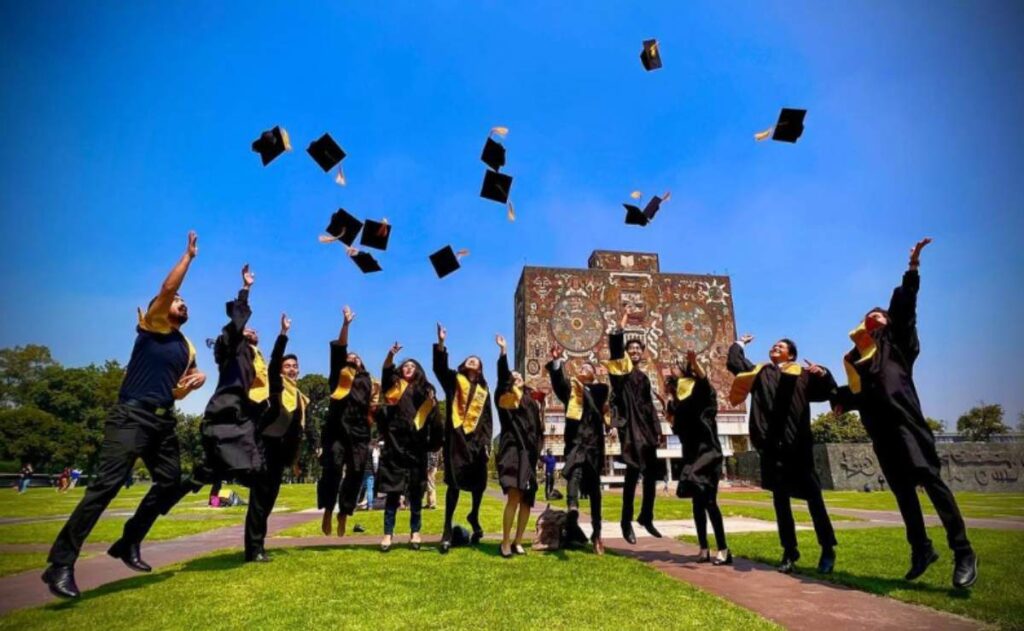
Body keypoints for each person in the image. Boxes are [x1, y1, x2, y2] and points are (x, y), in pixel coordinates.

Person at [43, 232, 206, 599]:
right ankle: (60, 565)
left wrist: (200, 377)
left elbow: (192, 370)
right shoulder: (153, 325)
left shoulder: (186, 344)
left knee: (170, 481)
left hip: (163, 422)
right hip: (131, 415)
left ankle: (129, 541)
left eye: (183, 300)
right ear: (159, 310)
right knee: (108, 485)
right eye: (176, 300)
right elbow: (166, 289)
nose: (181, 302)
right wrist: (189, 257)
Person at [833, 238, 977, 589]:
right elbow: (858, 394)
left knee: (932, 482)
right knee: (902, 492)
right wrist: (836, 397)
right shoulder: (856, 360)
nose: (874, 318)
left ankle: (963, 552)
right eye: (869, 318)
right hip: (880, 432)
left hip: (907, 425)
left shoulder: (897, 344)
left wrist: (912, 269)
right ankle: (921, 550)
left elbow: (905, 308)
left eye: (879, 315)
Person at [727, 334, 838, 574]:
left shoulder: (803, 375)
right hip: (771, 445)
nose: (775, 347)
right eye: (774, 345)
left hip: (797, 444)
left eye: (781, 346)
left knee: (814, 498)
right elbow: (735, 363)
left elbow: (829, 391)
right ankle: (789, 551)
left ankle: (827, 548)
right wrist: (740, 344)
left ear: (792, 355)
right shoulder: (761, 374)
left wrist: (824, 373)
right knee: (780, 501)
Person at [244, 312, 315, 562]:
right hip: (264, 447)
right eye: (288, 366)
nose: (292, 369)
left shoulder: (298, 395)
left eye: (295, 366)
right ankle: (253, 549)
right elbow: (273, 362)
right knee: (259, 500)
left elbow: (298, 429)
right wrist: (283, 334)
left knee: (269, 499)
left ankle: (257, 544)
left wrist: (297, 456)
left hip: (280, 453)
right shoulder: (275, 385)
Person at [195, 264, 266, 489]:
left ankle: (202, 476)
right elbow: (237, 324)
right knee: (252, 471)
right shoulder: (232, 345)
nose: (254, 331)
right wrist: (245, 288)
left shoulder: (251, 357)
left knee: (252, 471)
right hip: (226, 414)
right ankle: (200, 477)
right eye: (249, 329)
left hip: (242, 416)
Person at [605, 314, 665, 543]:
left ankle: (646, 516)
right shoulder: (621, 373)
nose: (635, 352)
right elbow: (615, 351)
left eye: (638, 349)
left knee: (651, 476)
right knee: (631, 478)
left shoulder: (644, 378)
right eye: (631, 349)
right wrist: (620, 329)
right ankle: (625, 521)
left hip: (647, 431)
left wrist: (658, 431)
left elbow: (650, 406)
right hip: (630, 430)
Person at [433, 323, 494, 553]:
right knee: (454, 485)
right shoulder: (453, 381)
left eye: (476, 361)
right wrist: (441, 343)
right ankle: (447, 529)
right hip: (456, 440)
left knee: (479, 483)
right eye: (469, 359)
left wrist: (487, 442)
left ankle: (474, 516)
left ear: (479, 369)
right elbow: (439, 368)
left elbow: (488, 419)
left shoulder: (483, 390)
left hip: (476, 443)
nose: (472, 361)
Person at [377, 342, 442, 551]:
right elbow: (386, 371)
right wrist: (390, 355)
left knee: (416, 492)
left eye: (413, 367)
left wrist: (433, 443)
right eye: (406, 366)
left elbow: (434, 417)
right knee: (393, 492)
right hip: (394, 445)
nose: (408, 369)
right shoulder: (393, 387)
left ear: (418, 371)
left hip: (417, 446)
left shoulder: (424, 390)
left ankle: (415, 532)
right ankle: (388, 534)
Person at [667, 351, 730, 565]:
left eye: (675, 365)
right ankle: (703, 548)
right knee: (697, 503)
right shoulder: (677, 400)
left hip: (708, 452)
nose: (671, 368)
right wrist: (670, 414)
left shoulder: (700, 392)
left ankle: (723, 548)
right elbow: (677, 428)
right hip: (690, 454)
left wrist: (694, 362)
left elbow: (703, 382)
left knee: (710, 501)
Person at [546, 344, 610, 554]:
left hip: (593, 444)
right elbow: (559, 384)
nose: (582, 369)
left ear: (593, 374)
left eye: (587, 368)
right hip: (576, 441)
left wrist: (586, 385)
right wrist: (557, 363)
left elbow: (600, 405)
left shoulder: (600, 389)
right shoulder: (571, 390)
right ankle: (572, 507)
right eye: (581, 368)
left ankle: (597, 532)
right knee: (574, 473)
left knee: (594, 490)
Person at [317, 307, 373, 536]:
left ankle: (344, 511)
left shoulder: (368, 381)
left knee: (357, 471)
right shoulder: (339, 374)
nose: (352, 358)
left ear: (362, 364)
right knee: (332, 469)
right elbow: (340, 347)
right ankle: (329, 509)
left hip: (359, 433)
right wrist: (346, 325)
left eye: (356, 358)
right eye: (350, 357)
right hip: (337, 430)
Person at [494, 334, 545, 557]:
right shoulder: (506, 398)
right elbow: (504, 378)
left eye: (518, 376)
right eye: (512, 377)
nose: (516, 378)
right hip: (513, 450)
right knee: (514, 495)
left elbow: (538, 429)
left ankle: (518, 540)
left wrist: (538, 451)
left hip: (530, 454)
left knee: (527, 499)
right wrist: (503, 352)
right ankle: (505, 542)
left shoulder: (531, 401)